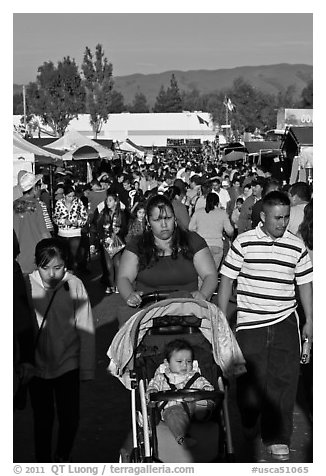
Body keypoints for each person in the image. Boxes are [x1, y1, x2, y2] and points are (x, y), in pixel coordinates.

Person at [217, 191, 313, 462]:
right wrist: (222, 318)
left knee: (283, 382)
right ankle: (249, 417)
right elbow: (226, 280)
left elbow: (305, 283)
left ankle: (277, 437)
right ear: (263, 217)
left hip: (285, 320)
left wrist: (311, 320)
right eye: (277, 218)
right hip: (250, 323)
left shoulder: (296, 245)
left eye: (286, 217)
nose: (282, 223)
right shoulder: (244, 243)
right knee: (249, 383)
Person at [24, 238, 95, 462]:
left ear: (66, 264)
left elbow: (86, 327)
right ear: (37, 265)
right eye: (46, 268)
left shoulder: (74, 284)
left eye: (58, 267)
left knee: (70, 418)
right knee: (43, 419)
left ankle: (62, 456)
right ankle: (43, 462)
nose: (52, 274)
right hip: (37, 366)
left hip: (68, 364)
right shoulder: (26, 285)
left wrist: (86, 369)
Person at [117, 194, 218, 310]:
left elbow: (210, 275)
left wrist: (203, 294)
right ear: (148, 222)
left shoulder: (193, 241)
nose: (164, 225)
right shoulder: (137, 245)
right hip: (149, 311)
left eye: (168, 218)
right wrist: (129, 295)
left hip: (188, 311)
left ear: (174, 218)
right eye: (157, 220)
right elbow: (124, 277)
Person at [146, 339, 215, 447]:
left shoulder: (194, 376)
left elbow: (204, 384)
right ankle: (183, 438)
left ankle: (204, 411)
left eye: (188, 361)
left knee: (203, 401)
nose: (184, 365)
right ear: (167, 363)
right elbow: (152, 387)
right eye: (179, 362)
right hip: (172, 409)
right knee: (172, 413)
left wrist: (206, 388)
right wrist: (152, 391)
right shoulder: (160, 378)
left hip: (192, 407)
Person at [13, 172, 51, 274]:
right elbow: (44, 231)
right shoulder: (37, 205)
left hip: (18, 256)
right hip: (36, 254)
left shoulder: (12, 205)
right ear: (34, 188)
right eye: (38, 186)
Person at [93, 189, 128, 294]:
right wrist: (102, 237)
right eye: (107, 201)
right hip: (106, 241)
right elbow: (98, 226)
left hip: (117, 240)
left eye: (110, 200)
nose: (108, 203)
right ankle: (110, 284)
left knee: (117, 263)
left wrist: (120, 231)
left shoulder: (121, 214)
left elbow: (125, 228)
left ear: (116, 202)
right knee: (108, 265)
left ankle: (118, 284)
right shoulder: (104, 213)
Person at [189, 192, 233, 271]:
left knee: (200, 273)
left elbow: (190, 228)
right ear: (218, 202)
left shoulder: (198, 212)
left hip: (200, 246)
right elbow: (229, 231)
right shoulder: (222, 213)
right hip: (217, 246)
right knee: (212, 274)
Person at [52, 185, 88, 273]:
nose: (71, 198)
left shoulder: (78, 203)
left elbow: (84, 216)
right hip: (62, 233)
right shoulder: (59, 203)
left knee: (73, 256)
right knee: (64, 256)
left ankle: (72, 276)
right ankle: (64, 276)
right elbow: (55, 217)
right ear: (64, 195)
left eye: (73, 196)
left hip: (75, 233)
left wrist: (78, 223)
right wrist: (63, 221)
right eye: (69, 196)